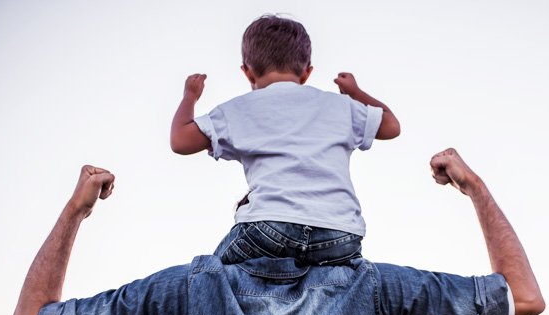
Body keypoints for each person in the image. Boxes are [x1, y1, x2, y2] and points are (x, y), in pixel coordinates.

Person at [6, 148, 545, 315]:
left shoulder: (186, 292)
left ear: (243, 214)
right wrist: (474, 188)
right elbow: (523, 298)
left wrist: (75, 212)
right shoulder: (375, 290)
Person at [170, 14, 400, 266]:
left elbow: (180, 141)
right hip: (341, 235)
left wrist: (189, 96)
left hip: (269, 229)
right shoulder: (339, 106)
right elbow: (391, 126)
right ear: (307, 73)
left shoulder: (240, 109)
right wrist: (355, 92)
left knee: (211, 276)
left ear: (247, 72)